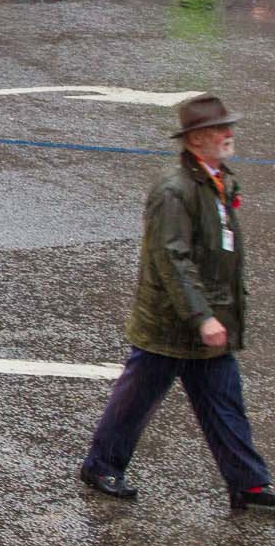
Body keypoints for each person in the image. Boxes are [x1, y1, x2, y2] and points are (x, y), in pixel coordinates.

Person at [80, 94, 274, 514]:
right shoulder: (175, 190)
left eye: (228, 126)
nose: (229, 133)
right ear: (196, 138)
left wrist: (215, 314)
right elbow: (172, 259)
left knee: (225, 404)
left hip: (208, 320)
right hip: (171, 324)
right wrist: (201, 316)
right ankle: (100, 466)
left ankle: (249, 483)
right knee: (135, 400)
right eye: (220, 129)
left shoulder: (216, 180)